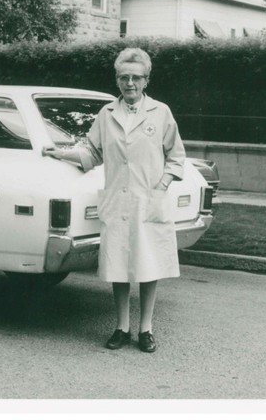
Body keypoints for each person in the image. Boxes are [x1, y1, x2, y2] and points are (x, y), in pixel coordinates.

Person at [43, 47, 185, 353]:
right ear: (117, 80)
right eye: (124, 77)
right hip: (118, 202)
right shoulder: (107, 114)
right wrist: (61, 152)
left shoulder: (161, 113)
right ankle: (121, 327)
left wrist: (161, 186)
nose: (129, 83)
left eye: (136, 78)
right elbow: (92, 153)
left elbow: (176, 156)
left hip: (149, 200)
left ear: (146, 80)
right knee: (118, 265)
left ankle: (145, 328)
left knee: (149, 265)